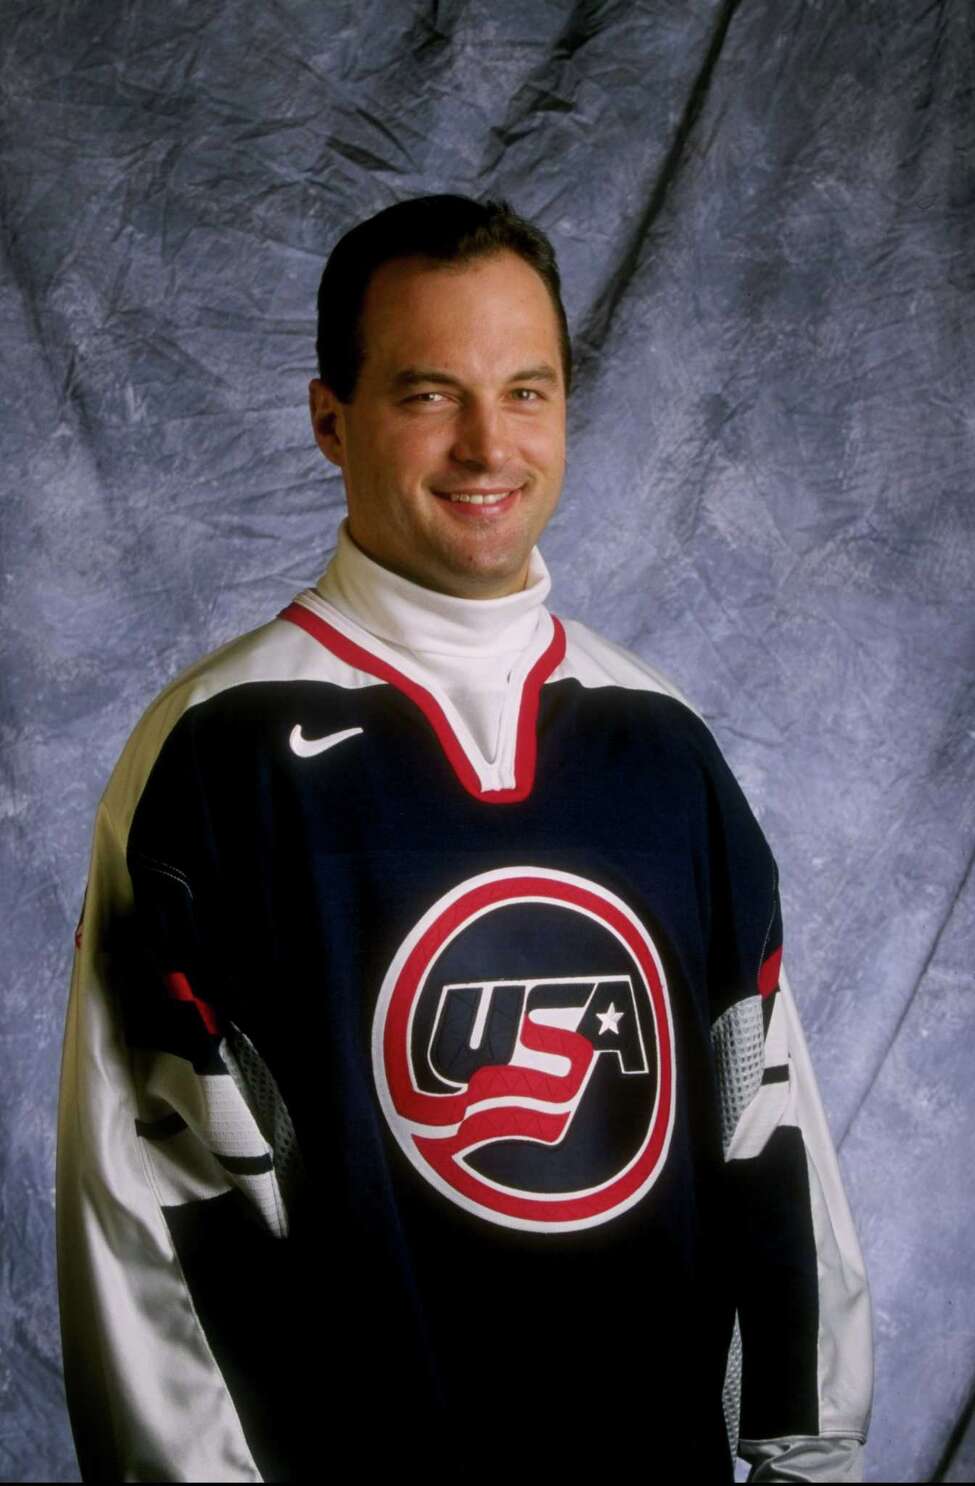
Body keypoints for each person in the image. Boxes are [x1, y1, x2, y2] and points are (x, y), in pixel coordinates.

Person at [57, 194, 873, 1482]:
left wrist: (804, 1452)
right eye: (430, 395)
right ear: (331, 418)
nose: (488, 446)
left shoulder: (661, 744)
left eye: (529, 392)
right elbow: (152, 1189)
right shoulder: (216, 752)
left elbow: (764, 1122)